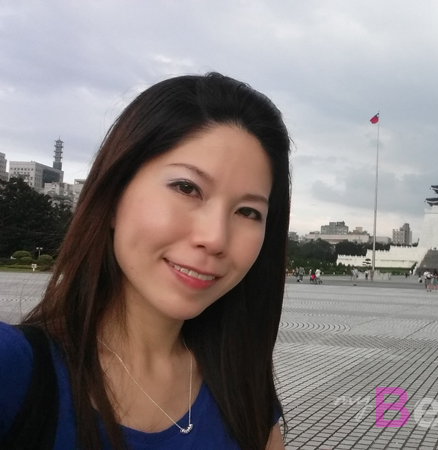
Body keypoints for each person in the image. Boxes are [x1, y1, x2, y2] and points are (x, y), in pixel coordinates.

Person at [0, 73, 288, 449]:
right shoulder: (16, 370)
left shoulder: (243, 388)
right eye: (187, 188)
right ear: (114, 195)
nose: (216, 238)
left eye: (248, 212)